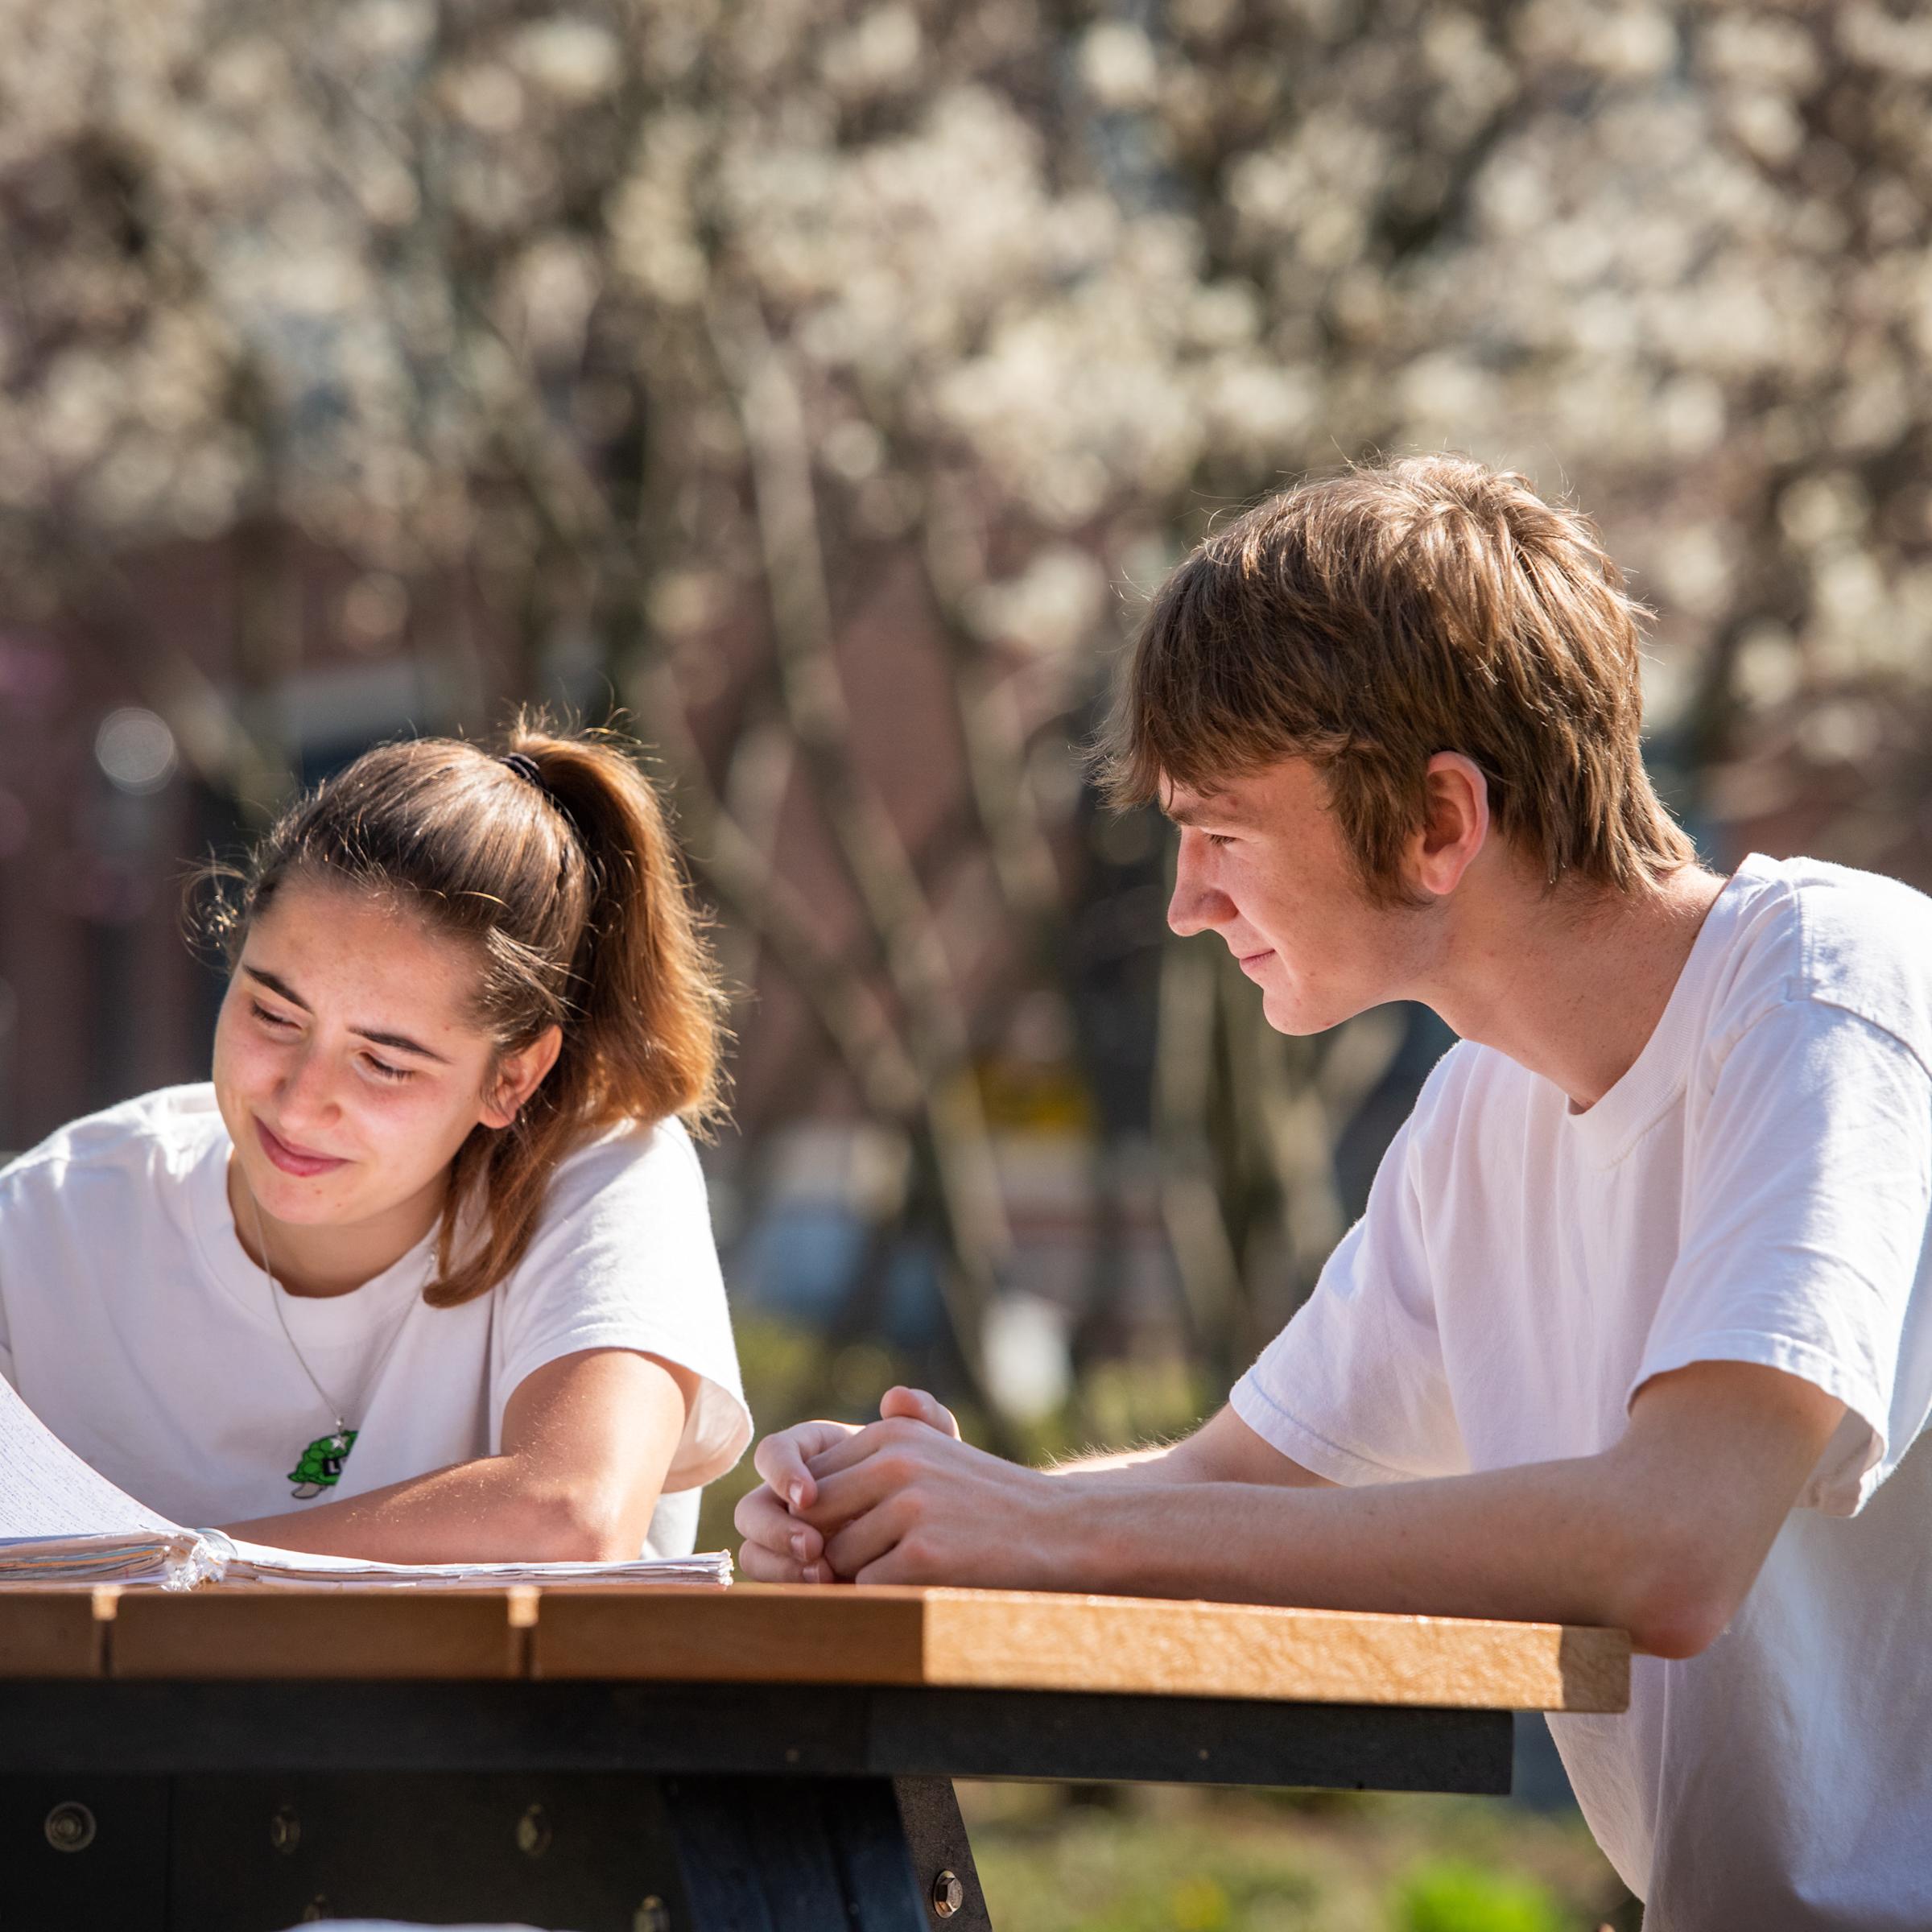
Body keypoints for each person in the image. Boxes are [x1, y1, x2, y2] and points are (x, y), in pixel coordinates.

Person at [736, 457, 1932, 1927]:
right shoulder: (1479, 1111)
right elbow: (1224, 1495)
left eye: (1222, 831)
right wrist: (923, 1516)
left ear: (1440, 823)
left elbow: (1673, 1545)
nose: (1183, 901)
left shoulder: (1834, 991)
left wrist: (1042, 1536)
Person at [0, 720, 750, 1562]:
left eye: (385, 1063)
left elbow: (572, 1514)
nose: (302, 1097)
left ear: (514, 1078)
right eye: (273, 1013)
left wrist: (170, 1571)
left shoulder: (596, 1172)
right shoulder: (47, 1224)